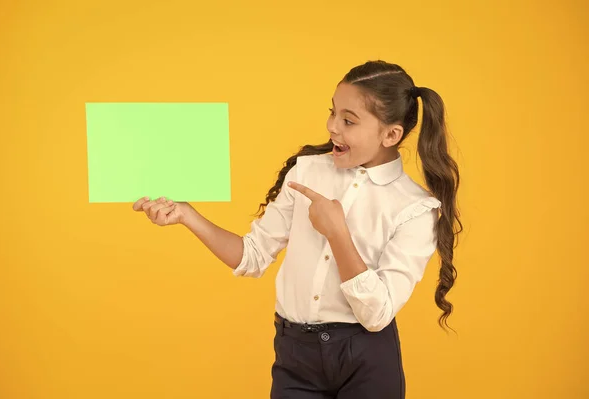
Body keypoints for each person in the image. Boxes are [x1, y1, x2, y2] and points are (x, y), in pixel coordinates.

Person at [133, 60, 462, 399]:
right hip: (295, 355)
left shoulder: (414, 208)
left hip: (366, 359)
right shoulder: (306, 173)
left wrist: (337, 233)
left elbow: (377, 314)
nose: (332, 126)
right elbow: (252, 256)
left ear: (390, 134)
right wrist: (188, 216)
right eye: (332, 112)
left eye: (348, 120)